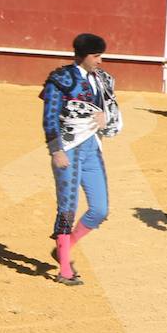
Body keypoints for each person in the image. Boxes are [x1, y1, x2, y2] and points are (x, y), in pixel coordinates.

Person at [41, 33, 122, 286]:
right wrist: (56, 150)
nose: (100, 60)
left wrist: (105, 119)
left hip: (91, 147)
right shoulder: (61, 80)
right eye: (96, 56)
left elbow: (111, 109)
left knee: (100, 209)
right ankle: (65, 268)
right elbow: (50, 116)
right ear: (82, 56)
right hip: (68, 147)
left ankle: (63, 249)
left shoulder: (103, 80)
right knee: (67, 207)